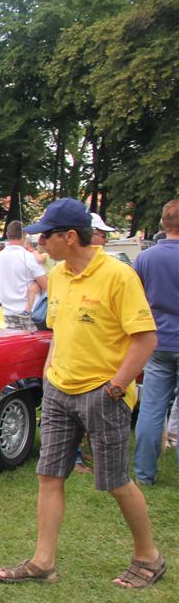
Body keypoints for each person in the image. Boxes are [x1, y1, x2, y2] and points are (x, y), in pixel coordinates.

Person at [0, 198, 162, 588]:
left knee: (116, 480)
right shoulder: (59, 276)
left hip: (102, 393)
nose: (39, 245)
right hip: (58, 390)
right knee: (49, 475)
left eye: (45, 237)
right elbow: (58, 332)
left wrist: (116, 387)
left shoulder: (118, 275)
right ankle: (43, 562)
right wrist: (50, 375)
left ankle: (148, 558)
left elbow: (145, 339)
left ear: (70, 236)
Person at [132, 199, 179, 486]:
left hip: (156, 341)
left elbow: (134, 299)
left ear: (163, 223)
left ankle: (144, 474)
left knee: (151, 408)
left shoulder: (146, 258)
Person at [0, 221, 48, 317]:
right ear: (24, 235)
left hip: (7, 312)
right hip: (31, 313)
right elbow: (46, 285)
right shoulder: (29, 257)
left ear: (7, 234)